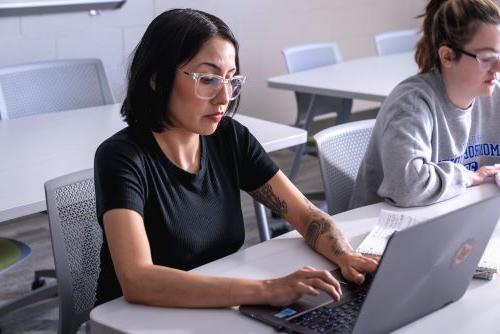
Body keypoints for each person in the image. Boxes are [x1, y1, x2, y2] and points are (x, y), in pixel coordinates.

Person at [94, 8, 377, 308]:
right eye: (208, 79)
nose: (224, 97)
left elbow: (305, 215)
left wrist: (345, 256)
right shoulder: (122, 157)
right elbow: (138, 280)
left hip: (211, 311)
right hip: (135, 321)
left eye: (231, 79)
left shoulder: (228, 137)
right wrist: (267, 290)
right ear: (157, 79)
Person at [350, 0, 500, 209]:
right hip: (384, 230)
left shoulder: (495, 93)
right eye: (486, 57)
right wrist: (468, 177)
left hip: (455, 216)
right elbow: (407, 186)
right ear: (447, 56)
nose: (498, 67)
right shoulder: (412, 103)